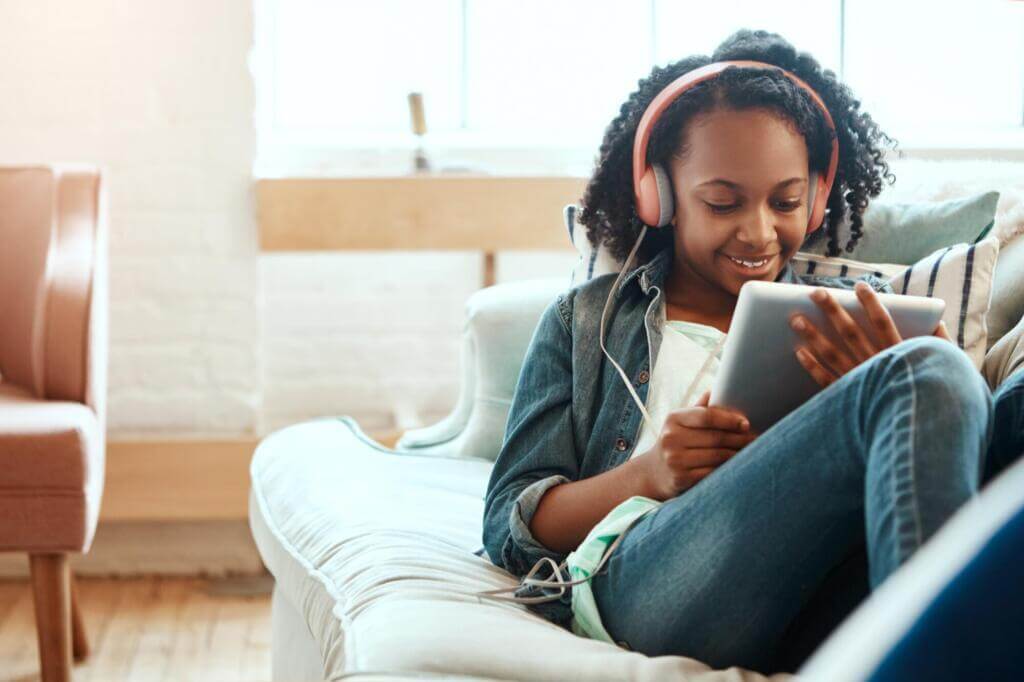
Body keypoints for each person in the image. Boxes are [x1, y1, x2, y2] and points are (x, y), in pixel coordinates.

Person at [480, 29, 1024, 674]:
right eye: (722, 202)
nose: (760, 230)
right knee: (925, 371)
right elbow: (507, 523)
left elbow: (959, 487)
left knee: (939, 371)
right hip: (652, 580)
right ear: (661, 193)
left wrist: (935, 377)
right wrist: (648, 474)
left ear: (818, 196)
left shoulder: (854, 311)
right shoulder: (589, 320)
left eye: (786, 202)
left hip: (825, 594)